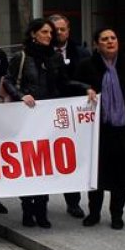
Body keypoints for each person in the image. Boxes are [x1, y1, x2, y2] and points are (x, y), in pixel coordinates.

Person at [2, 18, 94, 229]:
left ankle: (41, 210)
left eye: (51, 33)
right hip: (26, 118)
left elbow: (64, 82)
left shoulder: (54, 58)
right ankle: (27, 209)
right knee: (27, 163)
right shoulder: (22, 57)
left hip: (48, 119)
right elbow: (7, 80)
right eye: (44, 32)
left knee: (43, 164)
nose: (48, 36)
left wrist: (85, 88)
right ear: (33, 34)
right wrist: (20, 95)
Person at [74, 28, 125, 230]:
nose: (110, 42)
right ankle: (94, 213)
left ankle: (117, 215)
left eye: (113, 38)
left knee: (121, 176)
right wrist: (84, 88)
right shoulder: (87, 66)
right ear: (97, 44)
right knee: (96, 175)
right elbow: (73, 85)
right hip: (98, 130)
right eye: (104, 39)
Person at [49, 13, 91, 218]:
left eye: (62, 29)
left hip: (76, 113)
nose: (58, 33)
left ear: (68, 30)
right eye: (54, 30)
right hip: (47, 113)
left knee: (71, 156)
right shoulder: (42, 53)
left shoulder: (82, 53)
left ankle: (73, 201)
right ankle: (40, 203)